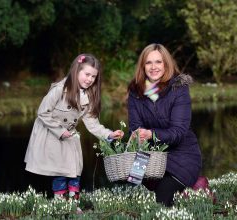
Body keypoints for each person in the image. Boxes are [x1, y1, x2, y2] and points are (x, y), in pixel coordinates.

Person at [24, 53, 124, 200]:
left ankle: (73, 203)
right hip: (52, 133)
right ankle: (60, 202)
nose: (89, 79)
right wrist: (60, 131)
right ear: (76, 71)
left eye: (93, 76)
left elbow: (92, 123)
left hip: (70, 135)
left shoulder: (88, 96)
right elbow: (43, 112)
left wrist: (109, 134)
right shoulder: (59, 90)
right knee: (60, 171)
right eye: (87, 74)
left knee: (75, 170)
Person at [127, 43, 202, 207]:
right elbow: (134, 126)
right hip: (150, 156)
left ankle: (198, 185)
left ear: (166, 64)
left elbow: (179, 132)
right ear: (143, 66)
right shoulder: (135, 91)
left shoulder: (179, 88)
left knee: (161, 198)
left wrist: (151, 134)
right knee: (132, 188)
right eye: (148, 63)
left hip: (181, 156)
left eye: (158, 62)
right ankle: (190, 189)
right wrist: (137, 135)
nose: (153, 67)